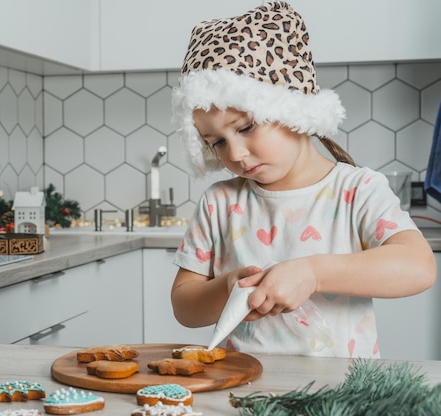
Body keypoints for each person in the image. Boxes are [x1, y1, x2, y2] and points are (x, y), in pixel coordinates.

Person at [170, 1, 436, 358]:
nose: (234, 153)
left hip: (342, 395)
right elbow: (183, 306)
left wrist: (313, 273)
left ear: (291, 108)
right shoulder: (220, 203)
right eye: (216, 142)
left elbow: (418, 267)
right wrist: (228, 287)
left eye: (246, 127)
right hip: (245, 388)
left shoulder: (357, 190)